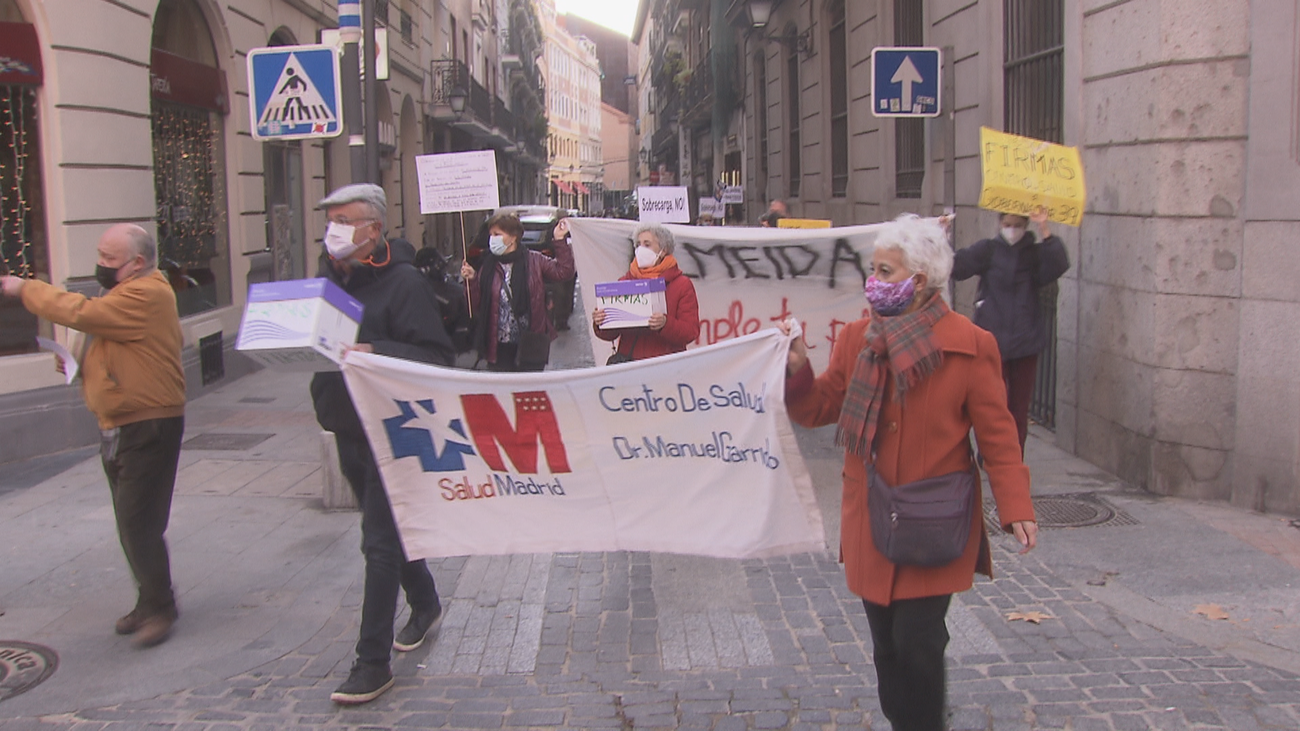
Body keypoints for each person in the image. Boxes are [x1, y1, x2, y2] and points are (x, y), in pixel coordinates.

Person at [780, 214, 1037, 731]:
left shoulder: (971, 344)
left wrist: (1016, 507)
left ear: (918, 281)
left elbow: (998, 435)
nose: (873, 280)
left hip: (935, 518)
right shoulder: (856, 339)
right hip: (871, 517)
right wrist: (798, 369)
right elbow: (817, 409)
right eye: (873, 269)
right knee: (885, 648)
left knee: (919, 642)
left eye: (885, 270)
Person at [1, 224, 186, 648]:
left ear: (136, 263)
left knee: (139, 521)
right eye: (100, 255)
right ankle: (149, 599)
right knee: (129, 520)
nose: (100, 264)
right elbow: (100, 336)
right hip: (118, 420)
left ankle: (160, 606)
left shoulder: (148, 293)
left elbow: (83, 314)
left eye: (108, 258)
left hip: (147, 422)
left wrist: (24, 288)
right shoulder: (122, 292)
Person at [308, 184, 456, 705]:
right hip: (343, 421)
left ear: (374, 229)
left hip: (391, 430)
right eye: (329, 220)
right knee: (388, 536)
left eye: (344, 220)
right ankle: (426, 600)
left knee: (377, 541)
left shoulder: (404, 283)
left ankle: (372, 663)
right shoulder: (327, 279)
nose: (334, 231)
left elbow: (438, 359)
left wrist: (376, 351)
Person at [951, 207, 1070, 453]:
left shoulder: (1034, 255)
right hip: (992, 339)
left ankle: (1014, 456)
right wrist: (941, 237)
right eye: (1008, 223)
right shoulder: (989, 250)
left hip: (1025, 341)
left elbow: (1058, 263)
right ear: (1000, 223)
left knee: (1018, 406)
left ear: (1025, 226)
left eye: (1017, 224)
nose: (1012, 230)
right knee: (992, 403)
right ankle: (990, 452)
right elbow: (957, 267)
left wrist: (1044, 228)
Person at [460, 212, 574, 371]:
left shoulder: (535, 260)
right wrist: (471, 281)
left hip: (530, 344)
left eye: (497, 234)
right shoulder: (488, 265)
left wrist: (559, 240)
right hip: (498, 346)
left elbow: (564, 272)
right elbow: (475, 304)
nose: (492, 239)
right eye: (491, 234)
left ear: (513, 237)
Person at [591, 223, 700, 361]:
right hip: (630, 365)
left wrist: (665, 324)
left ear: (664, 250)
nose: (640, 249)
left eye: (647, 244)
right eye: (638, 244)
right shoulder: (624, 282)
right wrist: (601, 321)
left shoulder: (682, 285)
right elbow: (610, 334)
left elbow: (691, 332)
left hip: (666, 367)